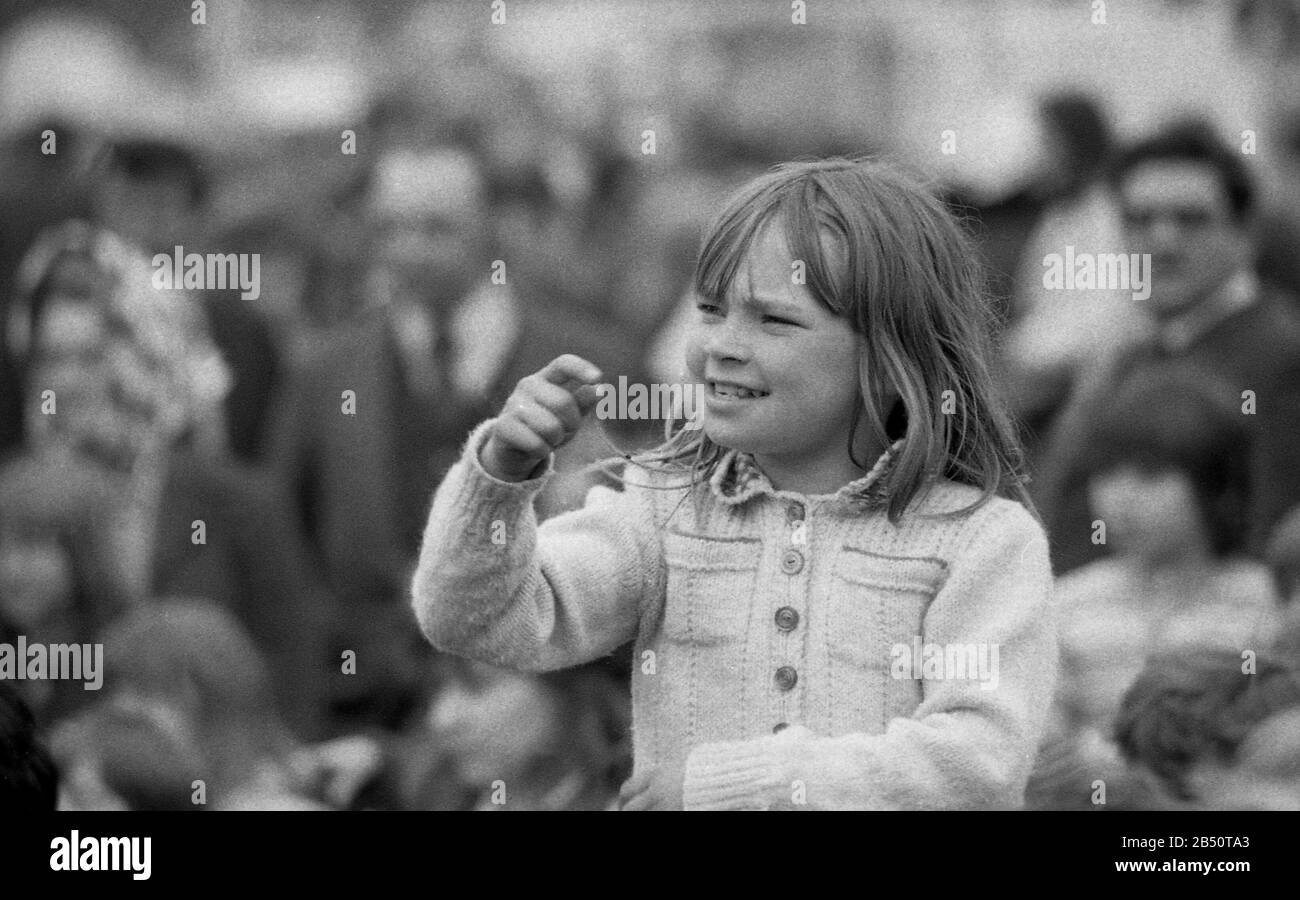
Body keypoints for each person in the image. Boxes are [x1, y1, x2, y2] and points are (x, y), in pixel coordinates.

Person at [410, 158, 1058, 810]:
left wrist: (727, 787)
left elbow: (979, 761)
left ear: (894, 359)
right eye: (712, 311)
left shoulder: (980, 541)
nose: (721, 344)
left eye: (774, 320)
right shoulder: (662, 508)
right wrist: (498, 476)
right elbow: (478, 621)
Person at [1038, 119, 1300, 575]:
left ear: (1245, 234)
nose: (1162, 241)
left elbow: (1264, 544)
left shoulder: (1281, 357)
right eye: (1140, 220)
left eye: (1190, 219)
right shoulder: (1137, 354)